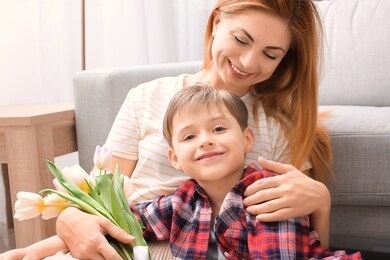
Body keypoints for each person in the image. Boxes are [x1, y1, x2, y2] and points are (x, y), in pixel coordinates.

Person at [53, 0, 334, 259]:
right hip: (129, 241)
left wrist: (321, 202)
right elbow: (97, 196)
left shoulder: (274, 127)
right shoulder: (146, 97)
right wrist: (69, 219)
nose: (248, 62)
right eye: (240, 40)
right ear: (216, 22)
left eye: (270, 55)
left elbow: (298, 239)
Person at [0, 85, 361, 260]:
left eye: (219, 129)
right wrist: (39, 248)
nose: (205, 141)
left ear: (247, 138)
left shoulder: (266, 192)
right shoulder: (181, 202)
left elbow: (280, 254)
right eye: (190, 136)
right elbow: (121, 226)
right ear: (175, 158)